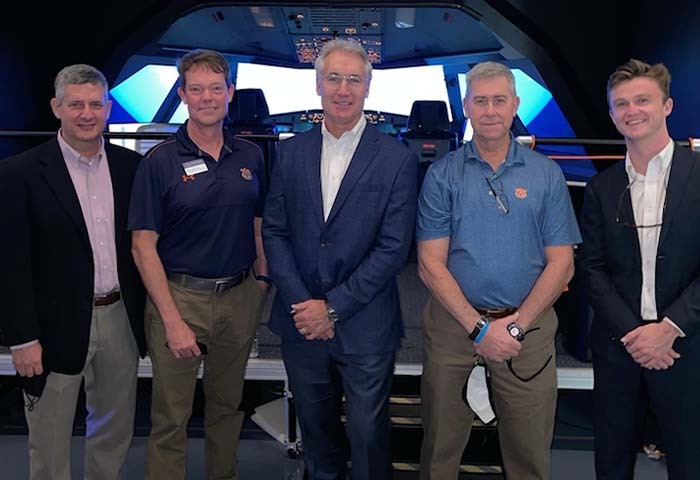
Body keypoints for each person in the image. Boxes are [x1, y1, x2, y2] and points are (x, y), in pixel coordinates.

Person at [416, 61, 581, 480]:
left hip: (528, 332)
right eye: (481, 101)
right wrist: (477, 328)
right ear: (467, 107)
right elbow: (429, 264)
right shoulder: (441, 175)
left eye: (499, 101)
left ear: (515, 106)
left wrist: (516, 327)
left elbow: (562, 263)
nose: (490, 110)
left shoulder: (547, 175)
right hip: (454, 327)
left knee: (529, 456)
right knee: (438, 451)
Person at [262, 39, 417, 479]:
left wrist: (331, 308)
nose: (343, 89)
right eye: (333, 78)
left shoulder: (397, 159)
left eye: (353, 79)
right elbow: (274, 231)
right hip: (300, 320)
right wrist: (303, 304)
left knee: (369, 434)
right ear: (317, 85)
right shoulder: (289, 152)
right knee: (316, 431)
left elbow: (393, 248)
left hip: (365, 320)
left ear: (368, 87)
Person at [0, 64, 146, 479]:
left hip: (119, 319)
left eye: (95, 104)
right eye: (76, 104)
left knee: (114, 432)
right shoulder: (18, 173)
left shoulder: (130, 168)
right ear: (56, 107)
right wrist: (22, 338)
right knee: (48, 438)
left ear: (108, 108)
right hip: (50, 328)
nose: (87, 113)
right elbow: (9, 264)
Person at [128, 49, 269, 479]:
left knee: (228, 407)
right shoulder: (159, 162)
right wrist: (171, 319)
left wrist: (261, 279)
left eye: (215, 88)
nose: (207, 98)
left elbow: (259, 223)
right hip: (179, 298)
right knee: (171, 415)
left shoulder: (251, 155)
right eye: (196, 89)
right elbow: (142, 246)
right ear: (183, 95)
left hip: (240, 296)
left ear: (229, 93)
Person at [579, 58, 700, 479]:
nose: (632, 111)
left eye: (642, 100)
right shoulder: (600, 187)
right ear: (612, 115)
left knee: (691, 461)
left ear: (667, 106)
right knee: (611, 463)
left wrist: (669, 327)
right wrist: (635, 334)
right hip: (620, 347)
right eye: (622, 104)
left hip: (687, 346)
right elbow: (591, 269)